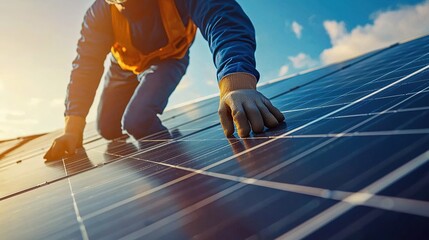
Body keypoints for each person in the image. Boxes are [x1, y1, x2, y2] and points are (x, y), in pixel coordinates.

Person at [44, 0, 284, 161]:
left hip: (170, 59)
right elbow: (85, 66)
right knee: (106, 129)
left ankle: (171, 160)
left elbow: (220, 17)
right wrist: (72, 130)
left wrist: (236, 81)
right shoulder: (99, 13)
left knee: (137, 121)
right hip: (123, 68)